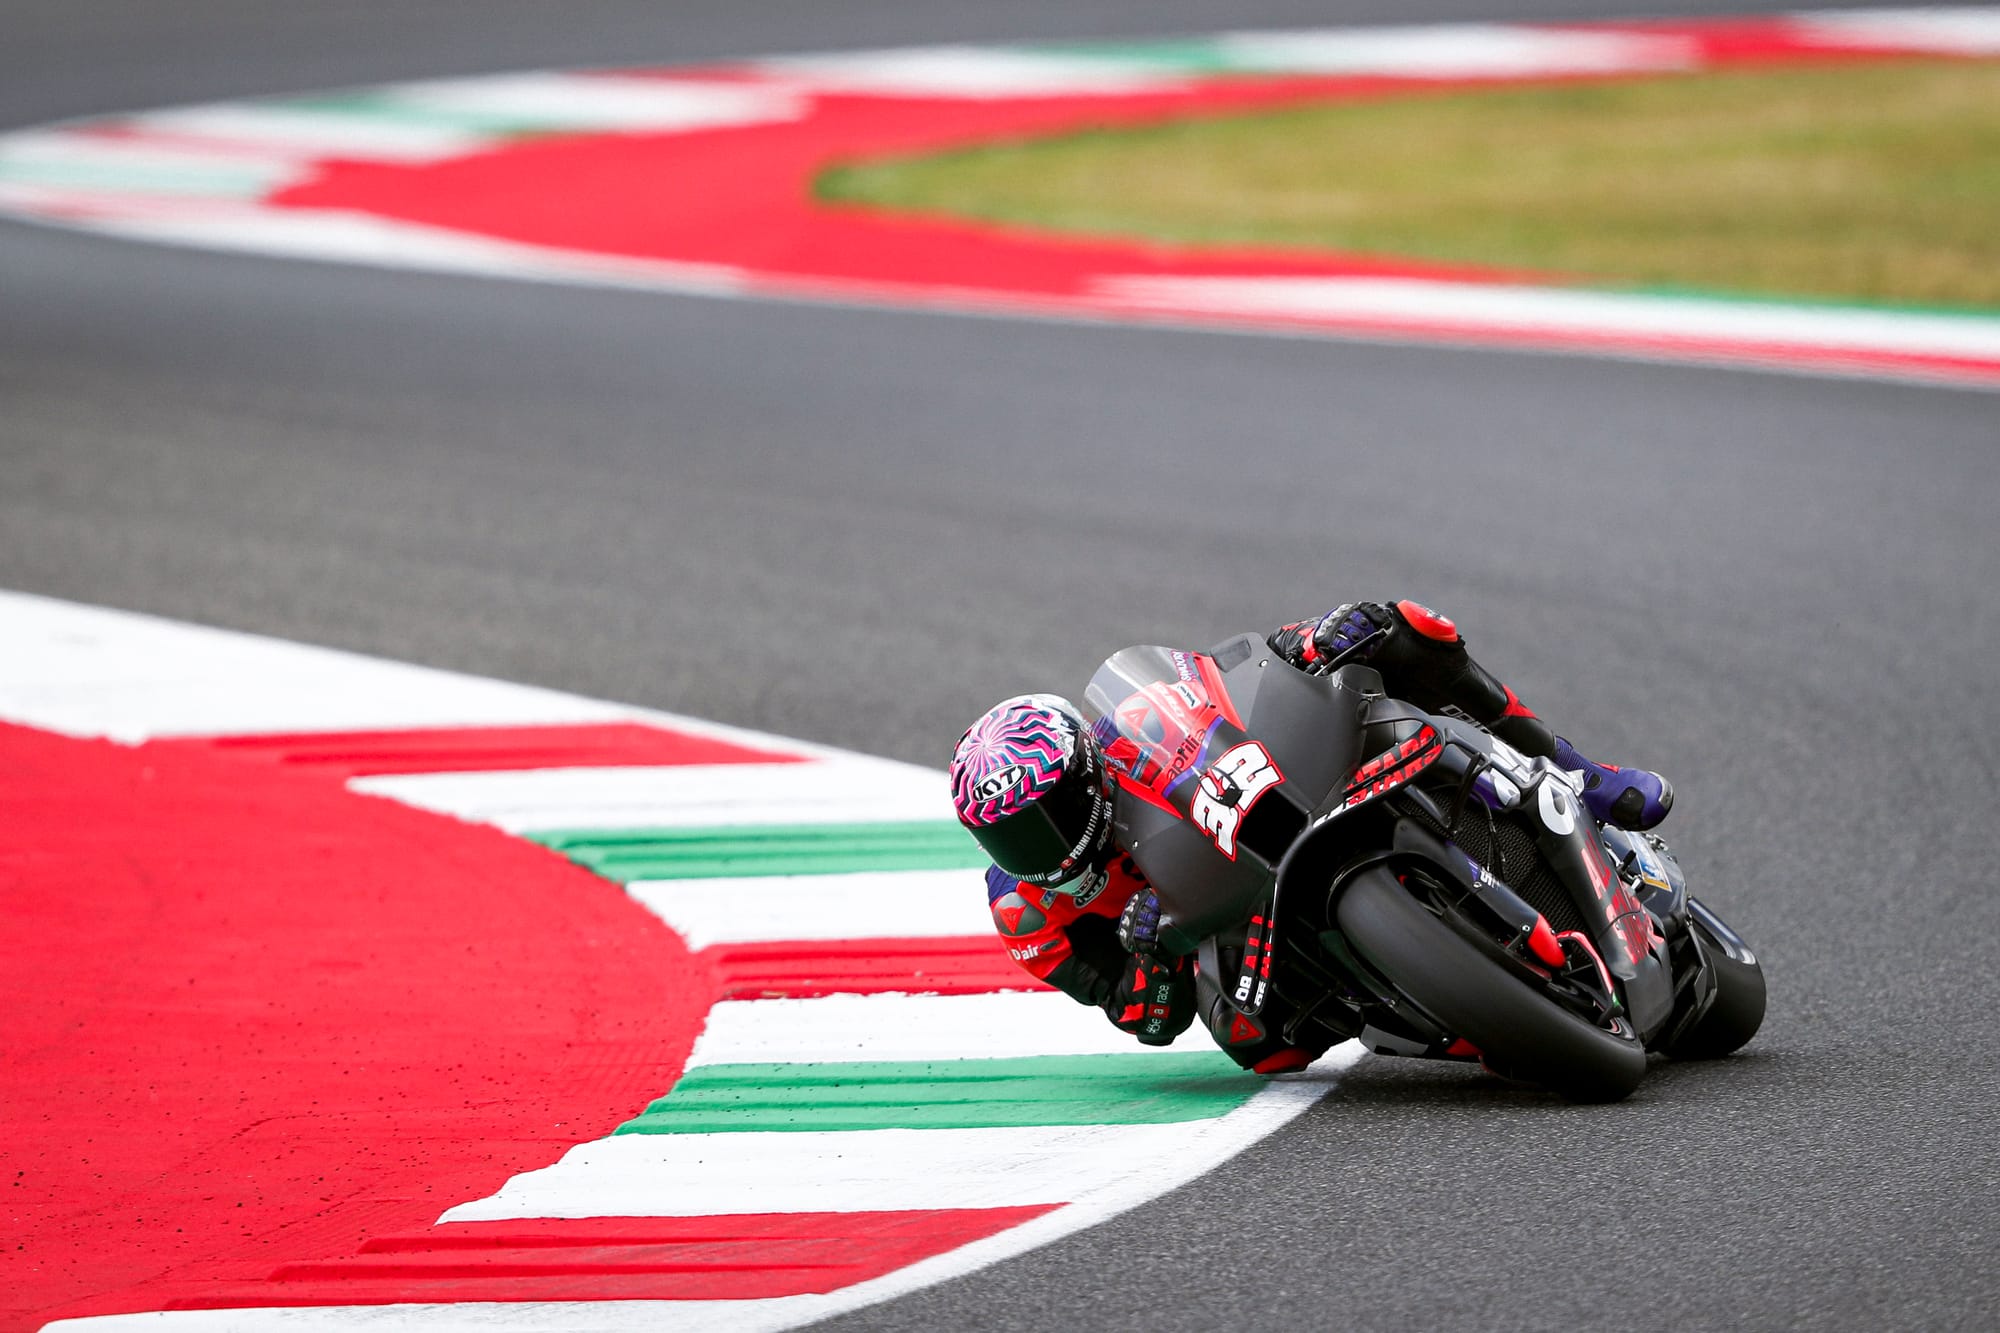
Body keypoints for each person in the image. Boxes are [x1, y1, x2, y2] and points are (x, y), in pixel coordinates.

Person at [947, 599, 1672, 1074]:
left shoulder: (1130, 735)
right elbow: (1148, 1018)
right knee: (1258, 1046)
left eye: (1051, 816)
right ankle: (1460, 1005)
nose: (1042, 849)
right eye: (1013, 839)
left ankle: (1582, 773)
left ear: (1085, 771)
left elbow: (1232, 675)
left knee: (1407, 628)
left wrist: (1310, 641)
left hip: (1288, 800)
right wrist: (1150, 951)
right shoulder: (1029, 915)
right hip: (1234, 929)